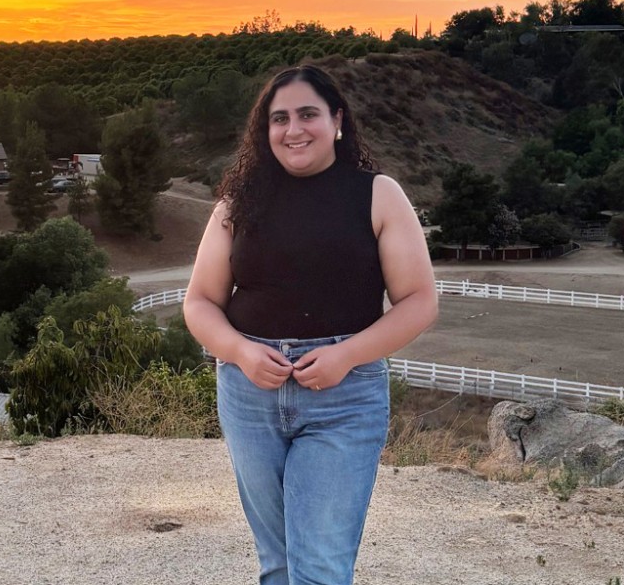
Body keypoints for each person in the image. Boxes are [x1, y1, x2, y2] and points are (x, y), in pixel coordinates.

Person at [182, 64, 438, 585]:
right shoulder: (238, 203)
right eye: (279, 118)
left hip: (345, 399)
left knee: (318, 567)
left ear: (336, 120)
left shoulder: (378, 194)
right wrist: (240, 352)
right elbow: (200, 303)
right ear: (265, 130)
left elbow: (418, 301)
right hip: (248, 394)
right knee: (278, 565)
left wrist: (346, 355)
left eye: (307, 114)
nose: (293, 129)